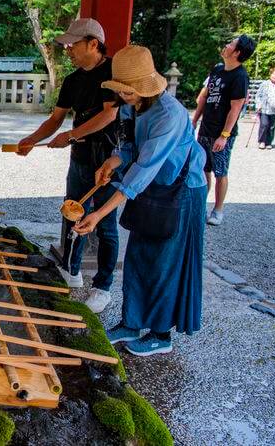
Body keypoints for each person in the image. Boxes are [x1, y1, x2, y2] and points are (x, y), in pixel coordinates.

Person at [74, 45, 207, 356]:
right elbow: (129, 148)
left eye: (129, 93)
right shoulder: (133, 106)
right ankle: (131, 322)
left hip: (181, 191)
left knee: (163, 263)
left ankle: (160, 334)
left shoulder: (170, 116)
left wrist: (98, 213)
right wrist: (112, 161)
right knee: (138, 257)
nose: (124, 99)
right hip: (152, 187)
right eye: (122, 93)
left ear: (145, 87)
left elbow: (143, 171)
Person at [15, 18, 119, 313]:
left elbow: (110, 116)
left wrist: (72, 135)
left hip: (108, 159)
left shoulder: (113, 73)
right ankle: (70, 272)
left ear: (94, 44)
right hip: (81, 158)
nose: (69, 50)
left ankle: (103, 286)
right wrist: (31, 140)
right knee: (72, 210)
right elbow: (55, 119)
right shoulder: (74, 80)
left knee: (105, 223)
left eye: (74, 44)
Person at [192, 35, 256, 226]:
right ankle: (201, 205)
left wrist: (224, 136)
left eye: (231, 44)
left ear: (237, 52)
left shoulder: (240, 76)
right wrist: (195, 120)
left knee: (220, 171)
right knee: (203, 169)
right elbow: (204, 97)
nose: (226, 45)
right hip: (205, 128)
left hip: (222, 133)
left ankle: (218, 209)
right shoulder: (217, 70)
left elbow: (236, 108)